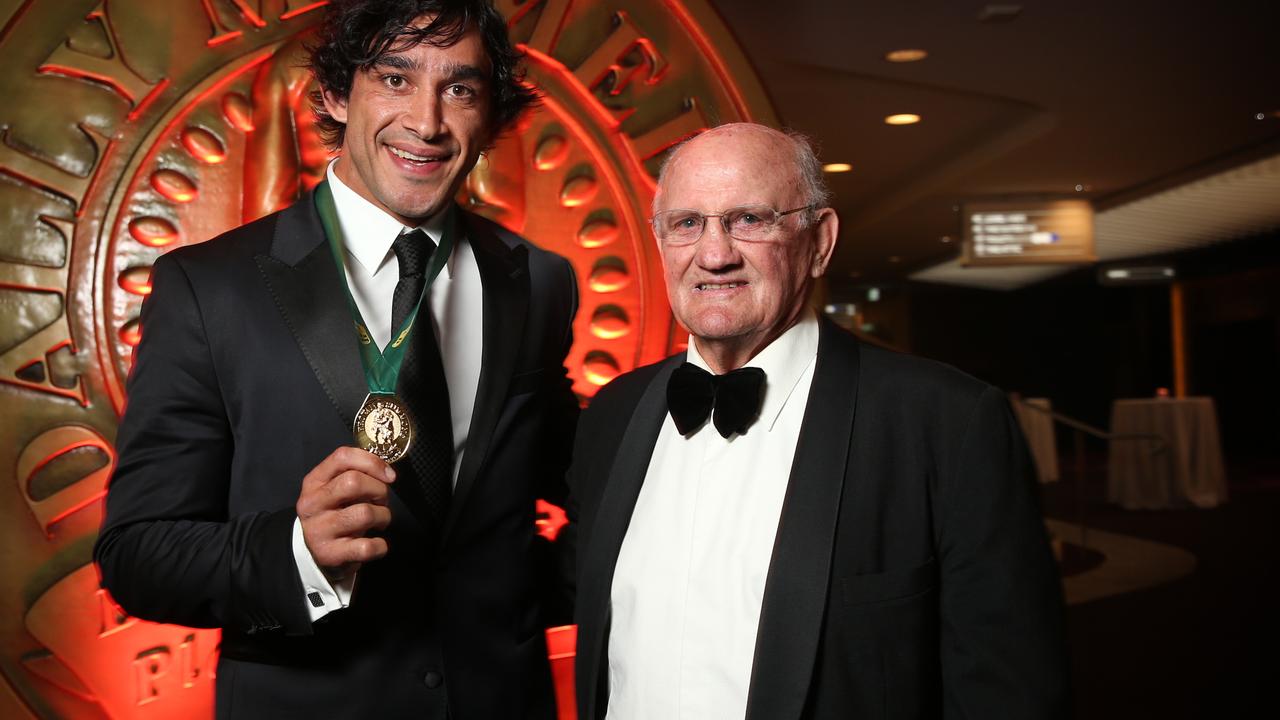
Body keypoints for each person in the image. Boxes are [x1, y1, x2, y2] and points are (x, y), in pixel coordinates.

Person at [94, 1, 578, 718]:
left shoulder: (537, 279)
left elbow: (559, 481)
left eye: (461, 89)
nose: (428, 122)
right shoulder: (208, 288)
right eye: (395, 78)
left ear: (490, 114)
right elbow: (137, 553)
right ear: (334, 94)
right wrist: (296, 553)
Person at [568, 123, 1070, 719]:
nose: (714, 254)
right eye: (686, 224)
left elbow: (1007, 693)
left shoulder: (947, 422)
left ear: (820, 241)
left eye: (750, 219)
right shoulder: (612, 414)